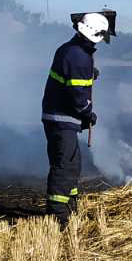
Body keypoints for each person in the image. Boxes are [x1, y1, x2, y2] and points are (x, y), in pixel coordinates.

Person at [41, 12, 108, 226]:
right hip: (62, 119)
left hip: (59, 117)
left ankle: (70, 206)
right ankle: (58, 216)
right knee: (64, 167)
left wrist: (89, 72)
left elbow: (70, 73)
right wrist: (88, 114)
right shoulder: (79, 57)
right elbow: (78, 97)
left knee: (72, 164)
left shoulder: (70, 49)